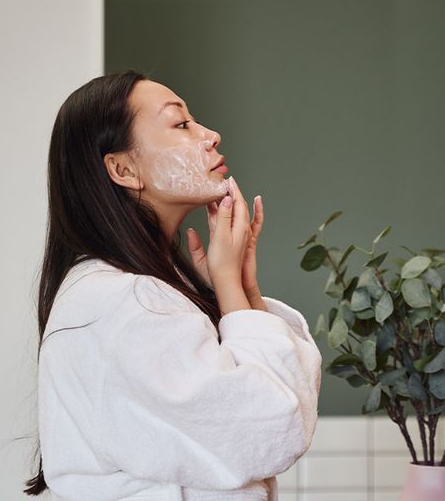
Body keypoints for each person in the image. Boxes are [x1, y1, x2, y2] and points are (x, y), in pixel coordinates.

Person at [23, 70, 322, 500]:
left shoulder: (131, 292)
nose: (211, 135)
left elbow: (278, 415)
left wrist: (240, 288)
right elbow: (270, 430)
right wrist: (227, 284)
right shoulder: (122, 301)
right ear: (123, 169)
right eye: (181, 124)